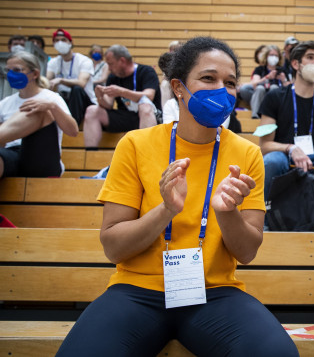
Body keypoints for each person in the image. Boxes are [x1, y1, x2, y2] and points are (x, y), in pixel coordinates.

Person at [55, 36, 299, 357]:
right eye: (208, 78)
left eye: (229, 82)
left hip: (214, 294)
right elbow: (113, 246)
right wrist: (166, 210)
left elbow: (247, 252)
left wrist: (226, 212)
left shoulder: (247, 153)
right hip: (137, 291)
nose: (221, 90)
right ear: (179, 88)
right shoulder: (135, 144)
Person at [259, 40, 314, 230]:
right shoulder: (274, 97)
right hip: (284, 156)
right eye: (310, 57)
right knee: (272, 161)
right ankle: (265, 225)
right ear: (295, 64)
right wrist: (290, 148)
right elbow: (265, 145)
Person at [0, 51, 78, 179]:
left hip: (42, 157)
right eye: (8, 70)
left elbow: (73, 131)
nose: (11, 74)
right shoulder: (5, 103)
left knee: (40, 110)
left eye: (17, 70)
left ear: (35, 73)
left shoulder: (51, 98)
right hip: (11, 154)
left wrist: (52, 107)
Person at [83, 44, 161, 149]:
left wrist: (122, 92)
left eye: (111, 64)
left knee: (145, 107)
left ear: (122, 61)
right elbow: (108, 105)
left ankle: (146, 151)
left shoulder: (146, 71)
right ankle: (90, 155)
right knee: (92, 110)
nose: (109, 68)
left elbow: (149, 96)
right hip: (126, 116)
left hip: (149, 116)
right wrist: (99, 96)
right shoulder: (113, 77)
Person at [46, 28, 97, 125]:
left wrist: (60, 80)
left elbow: (82, 83)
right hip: (64, 99)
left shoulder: (84, 61)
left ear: (70, 42)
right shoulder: (53, 62)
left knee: (76, 89)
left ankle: (73, 124)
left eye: (63, 40)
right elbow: (46, 82)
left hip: (84, 101)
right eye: (57, 40)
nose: (60, 43)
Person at [240, 45, 290, 118]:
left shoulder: (283, 70)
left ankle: (273, 115)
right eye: (271, 55)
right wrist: (267, 77)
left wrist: (284, 80)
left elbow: (290, 87)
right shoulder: (260, 69)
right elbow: (254, 84)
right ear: (266, 56)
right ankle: (255, 115)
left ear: (279, 58)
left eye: (276, 55)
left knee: (274, 88)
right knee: (259, 88)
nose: (274, 57)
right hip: (260, 95)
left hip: (275, 97)